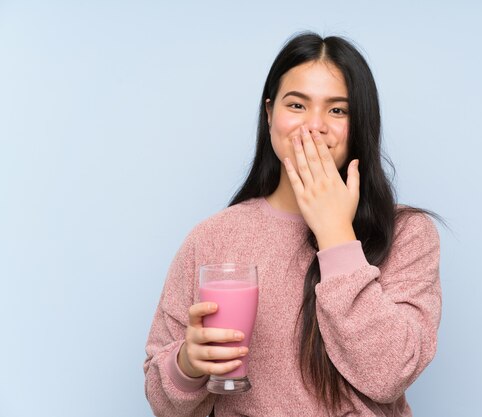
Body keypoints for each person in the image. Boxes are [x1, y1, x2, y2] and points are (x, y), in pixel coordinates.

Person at [144, 31, 443, 417]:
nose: (314, 125)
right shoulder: (214, 238)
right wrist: (187, 364)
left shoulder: (407, 235)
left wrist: (336, 233)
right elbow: (159, 398)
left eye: (338, 110)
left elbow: (389, 373)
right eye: (297, 105)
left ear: (359, 124)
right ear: (269, 114)